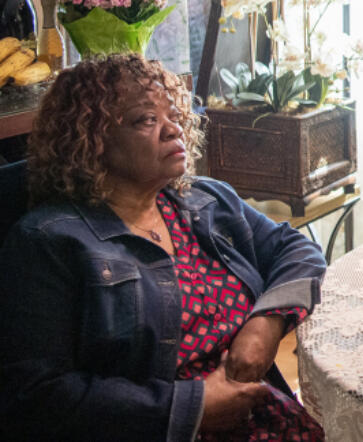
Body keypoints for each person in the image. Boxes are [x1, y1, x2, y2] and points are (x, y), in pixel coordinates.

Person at [0, 54, 327, 441]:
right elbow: (37, 396)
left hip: (265, 419)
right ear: (91, 138)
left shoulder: (206, 201)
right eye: (146, 120)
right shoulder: (48, 242)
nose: (173, 129)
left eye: (173, 115)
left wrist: (266, 324)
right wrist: (192, 406)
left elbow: (296, 249)